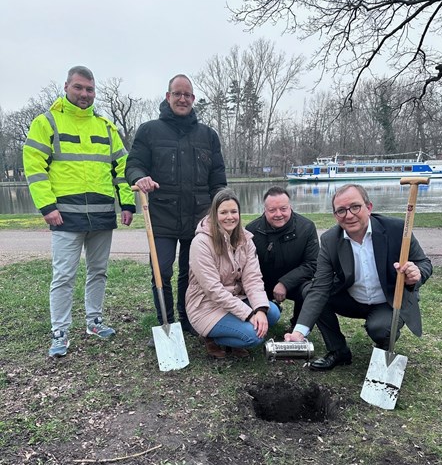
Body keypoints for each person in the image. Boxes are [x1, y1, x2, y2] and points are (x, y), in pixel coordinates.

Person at [23, 65, 135, 358]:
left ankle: (94, 321)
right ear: (66, 87)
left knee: (98, 272)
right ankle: (60, 332)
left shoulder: (105, 126)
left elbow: (122, 167)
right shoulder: (46, 123)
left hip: (101, 215)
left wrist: (127, 203)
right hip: (65, 216)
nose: (85, 94)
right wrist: (46, 206)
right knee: (64, 276)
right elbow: (35, 168)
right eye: (79, 88)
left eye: (89, 89)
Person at [285, 183, 433, 370]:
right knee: (309, 291)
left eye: (355, 207)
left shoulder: (397, 230)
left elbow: (424, 263)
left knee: (380, 328)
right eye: (341, 211)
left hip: (387, 301)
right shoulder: (330, 240)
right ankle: (338, 351)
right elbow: (320, 288)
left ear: (369, 207)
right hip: (352, 299)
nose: (349, 215)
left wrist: (416, 274)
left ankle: (383, 344)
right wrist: (299, 332)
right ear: (335, 215)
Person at [125, 74, 227, 338]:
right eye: (177, 94)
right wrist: (140, 178)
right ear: (167, 96)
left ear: (193, 100)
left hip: (199, 217)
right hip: (161, 216)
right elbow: (134, 164)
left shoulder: (208, 135)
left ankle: (188, 318)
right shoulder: (149, 131)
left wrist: (220, 208)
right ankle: (166, 323)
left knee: (191, 271)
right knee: (162, 270)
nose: (182, 99)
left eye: (188, 95)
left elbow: (217, 178)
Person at [185, 189, 281, 359]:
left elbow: (253, 278)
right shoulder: (201, 243)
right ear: (215, 214)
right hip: (207, 305)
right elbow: (213, 290)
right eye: (223, 212)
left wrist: (259, 309)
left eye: (233, 211)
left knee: (272, 313)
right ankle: (210, 336)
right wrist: (248, 314)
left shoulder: (245, 239)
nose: (229, 217)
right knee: (253, 336)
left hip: (235, 298)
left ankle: (234, 332)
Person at [246, 186, 319, 328]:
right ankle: (259, 319)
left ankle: (299, 327)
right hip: (261, 283)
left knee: (311, 289)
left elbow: (312, 263)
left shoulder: (307, 227)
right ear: (264, 210)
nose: (278, 214)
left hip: (295, 283)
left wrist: (285, 283)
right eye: (272, 210)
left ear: (290, 207)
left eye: (283, 209)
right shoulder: (251, 231)